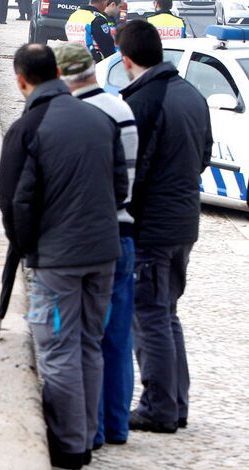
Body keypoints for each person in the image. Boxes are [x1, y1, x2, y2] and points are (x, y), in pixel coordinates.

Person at [0, 43, 127, 470]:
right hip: (104, 254)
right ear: (57, 72)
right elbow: (120, 190)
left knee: (57, 348)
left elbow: (13, 200)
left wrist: (29, 246)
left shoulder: (28, 127)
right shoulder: (99, 119)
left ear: (21, 80)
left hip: (58, 262)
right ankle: (87, 437)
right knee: (90, 342)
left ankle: (70, 447)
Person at [115, 20, 212, 433]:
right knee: (166, 313)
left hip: (152, 226)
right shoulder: (191, 94)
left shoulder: (144, 102)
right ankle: (176, 403)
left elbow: (132, 172)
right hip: (184, 222)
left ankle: (159, 408)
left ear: (126, 58)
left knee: (150, 315)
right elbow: (204, 154)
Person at [55, 43, 138, 448]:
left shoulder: (77, 117)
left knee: (80, 339)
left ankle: (93, 431)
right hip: (124, 235)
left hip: (87, 241)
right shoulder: (122, 108)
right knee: (117, 340)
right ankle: (117, 425)